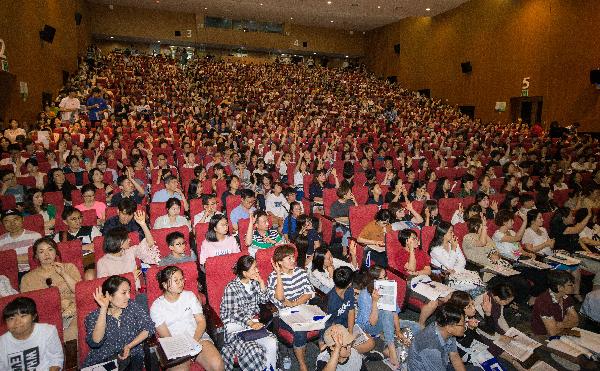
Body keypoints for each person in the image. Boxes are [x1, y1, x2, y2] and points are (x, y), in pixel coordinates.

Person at [150, 266, 224, 371]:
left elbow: (201, 321)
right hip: (176, 346)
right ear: (165, 285)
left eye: (181, 279)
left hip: (198, 338)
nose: (181, 283)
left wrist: (194, 341)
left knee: (217, 365)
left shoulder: (189, 296)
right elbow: (166, 336)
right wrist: (184, 349)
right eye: (176, 280)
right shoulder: (157, 307)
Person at [83, 275, 155, 368]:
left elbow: (149, 327)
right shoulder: (93, 316)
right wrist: (103, 309)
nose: (128, 296)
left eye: (129, 292)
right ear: (109, 295)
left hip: (132, 357)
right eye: (124, 293)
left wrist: (129, 346)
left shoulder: (132, 307)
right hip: (103, 360)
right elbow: (96, 342)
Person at [220, 255, 278, 371]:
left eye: (256, 267)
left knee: (272, 341)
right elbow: (234, 313)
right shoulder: (231, 287)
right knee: (254, 350)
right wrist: (250, 323)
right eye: (254, 268)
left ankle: (271, 368)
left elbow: (264, 301)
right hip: (236, 328)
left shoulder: (254, 283)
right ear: (244, 273)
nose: (257, 270)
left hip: (250, 326)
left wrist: (261, 283)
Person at [355, 265, 418, 368]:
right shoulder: (364, 295)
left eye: (386, 276)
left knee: (417, 326)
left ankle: (389, 340)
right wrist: (375, 302)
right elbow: (372, 322)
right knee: (386, 313)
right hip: (369, 328)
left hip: (384, 321)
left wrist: (398, 331)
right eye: (383, 278)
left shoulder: (388, 288)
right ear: (374, 281)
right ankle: (391, 349)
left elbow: (395, 312)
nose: (387, 279)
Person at [20, 237, 81, 341]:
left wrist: (63, 274)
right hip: (45, 318)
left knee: (71, 333)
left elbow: (80, 292)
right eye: (41, 251)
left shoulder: (69, 268)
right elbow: (27, 307)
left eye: (50, 249)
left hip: (72, 313)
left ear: (56, 252)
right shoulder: (27, 279)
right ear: (36, 256)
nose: (47, 254)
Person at [267, 244, 315, 371]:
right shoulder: (273, 277)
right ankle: (302, 363)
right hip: (286, 315)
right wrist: (278, 274)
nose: (293, 260)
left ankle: (323, 354)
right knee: (300, 330)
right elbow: (280, 298)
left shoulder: (300, 272)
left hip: (304, 310)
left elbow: (309, 292)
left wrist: (294, 303)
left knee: (325, 323)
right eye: (289, 258)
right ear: (279, 262)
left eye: (293, 257)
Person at [0, 297, 64, 370]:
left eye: (23, 316)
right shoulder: (2, 343)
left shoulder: (48, 331)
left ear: (33, 317)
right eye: (11, 318)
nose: (17, 322)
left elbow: (56, 359)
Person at [96, 213, 160, 284]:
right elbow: (106, 286)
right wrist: (131, 278)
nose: (130, 240)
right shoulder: (102, 262)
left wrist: (143, 224)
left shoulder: (130, 251)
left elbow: (150, 244)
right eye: (127, 238)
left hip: (136, 293)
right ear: (118, 243)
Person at [407, 303, 471, 371]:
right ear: (449, 328)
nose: (465, 327)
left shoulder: (444, 327)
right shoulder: (431, 348)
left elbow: (454, 356)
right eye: (463, 324)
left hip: (441, 363)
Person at [531, 270, 579, 336]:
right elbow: (552, 332)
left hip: (563, 332)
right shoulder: (543, 302)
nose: (574, 286)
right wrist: (566, 321)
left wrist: (560, 324)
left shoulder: (566, 297)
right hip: (543, 336)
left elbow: (576, 321)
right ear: (560, 288)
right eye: (570, 285)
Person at [0, 209, 43, 274]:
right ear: (2, 224)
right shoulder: (1, 240)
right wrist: (25, 257)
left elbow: (39, 257)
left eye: (15, 220)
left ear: (22, 219)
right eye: (7, 221)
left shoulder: (35, 236)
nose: (12, 224)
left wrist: (9, 259)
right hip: (8, 274)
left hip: (32, 271)